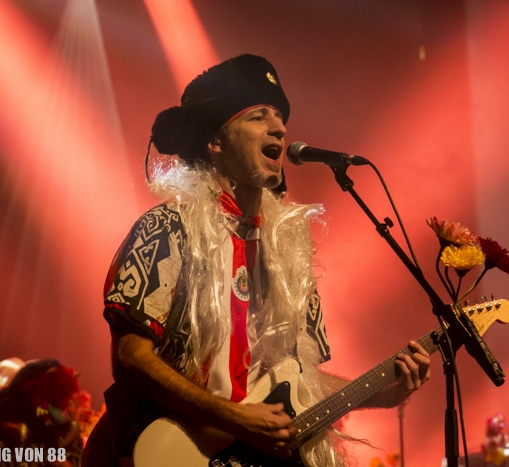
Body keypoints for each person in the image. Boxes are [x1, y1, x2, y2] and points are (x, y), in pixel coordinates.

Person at [83, 54, 431, 466]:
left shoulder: (290, 256)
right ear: (215, 142)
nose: (280, 127)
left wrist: (381, 392)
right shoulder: (166, 229)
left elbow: (301, 381)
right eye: (259, 115)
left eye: (280, 116)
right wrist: (233, 418)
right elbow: (130, 357)